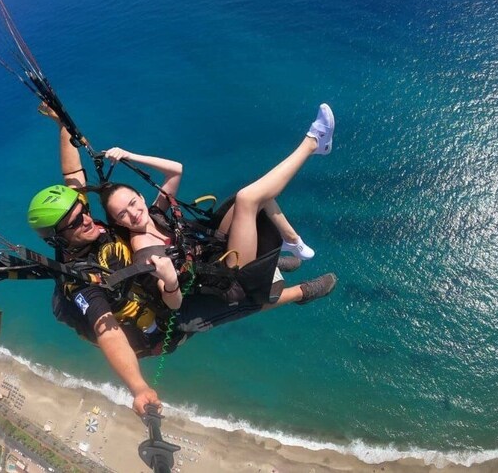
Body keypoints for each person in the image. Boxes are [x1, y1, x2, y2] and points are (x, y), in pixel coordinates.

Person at [26, 104, 337, 416]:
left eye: (84, 212)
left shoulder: (98, 224)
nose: (87, 220)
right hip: (168, 316)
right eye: (77, 223)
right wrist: (139, 387)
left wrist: (63, 127)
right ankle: (301, 291)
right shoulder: (81, 283)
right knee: (247, 279)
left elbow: (73, 178)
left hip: (190, 267)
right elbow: (108, 332)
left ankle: (280, 254)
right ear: (59, 237)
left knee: (246, 200)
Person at [101, 104, 337, 307]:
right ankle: (313, 142)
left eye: (133, 203)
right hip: (229, 278)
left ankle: (290, 239)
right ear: (117, 221)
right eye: (123, 214)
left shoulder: (154, 214)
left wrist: (130, 156)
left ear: (141, 197)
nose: (133, 214)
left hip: (217, 248)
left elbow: (175, 170)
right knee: (248, 198)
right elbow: (173, 304)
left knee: (253, 193)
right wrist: (171, 282)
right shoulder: (145, 254)